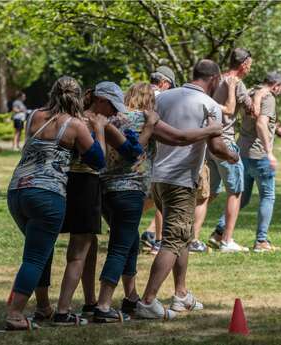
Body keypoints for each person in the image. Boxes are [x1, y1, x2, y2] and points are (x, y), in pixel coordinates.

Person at [93, 81, 223, 322]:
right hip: (129, 192)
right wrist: (211, 129)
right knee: (121, 249)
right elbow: (180, 137)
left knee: (129, 243)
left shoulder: (108, 120)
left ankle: (130, 298)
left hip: (105, 191)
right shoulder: (144, 121)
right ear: (150, 103)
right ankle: (103, 305)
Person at [136, 60, 239, 320]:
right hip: (181, 180)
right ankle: (148, 301)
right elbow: (216, 147)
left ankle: (181, 295)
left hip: (157, 178)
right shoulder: (210, 106)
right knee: (172, 240)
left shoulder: (163, 97)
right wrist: (232, 156)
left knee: (180, 236)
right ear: (214, 79)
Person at [5, 76, 107, 331]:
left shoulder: (35, 116)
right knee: (35, 257)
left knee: (40, 250)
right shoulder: (75, 126)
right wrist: (101, 130)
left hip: (17, 191)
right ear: (78, 96)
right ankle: (15, 313)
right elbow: (98, 160)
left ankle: (42, 307)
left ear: (53, 93)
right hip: (47, 195)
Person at [51, 81, 144, 326]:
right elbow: (131, 152)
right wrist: (146, 128)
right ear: (100, 100)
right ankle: (66, 309)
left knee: (88, 245)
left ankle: (90, 301)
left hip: (62, 184)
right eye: (112, 106)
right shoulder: (98, 122)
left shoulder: (67, 117)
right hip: (87, 187)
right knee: (79, 251)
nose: (115, 112)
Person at [206, 48, 267, 252]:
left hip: (208, 142)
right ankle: (226, 240)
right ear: (244, 64)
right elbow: (253, 111)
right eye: (250, 64)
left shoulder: (215, 79)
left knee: (209, 193)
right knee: (236, 191)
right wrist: (258, 95)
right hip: (225, 142)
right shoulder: (236, 83)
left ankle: (191, 237)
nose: (250, 68)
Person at [237, 71, 281, 252]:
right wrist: (269, 152)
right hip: (259, 155)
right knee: (268, 196)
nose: (280, 92)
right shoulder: (269, 97)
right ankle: (261, 241)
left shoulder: (250, 92)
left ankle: (219, 232)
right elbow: (261, 124)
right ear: (277, 86)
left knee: (241, 197)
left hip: (242, 151)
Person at [141, 65, 177, 253]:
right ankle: (159, 241)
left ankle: (122, 226)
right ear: (164, 83)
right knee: (161, 196)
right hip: (156, 152)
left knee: (144, 195)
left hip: (134, 150)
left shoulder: (137, 93)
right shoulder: (162, 97)